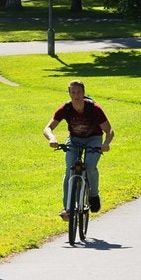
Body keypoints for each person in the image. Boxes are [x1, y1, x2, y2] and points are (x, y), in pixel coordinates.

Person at [43, 80, 113, 218]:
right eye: (73, 92)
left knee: (90, 165)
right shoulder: (66, 108)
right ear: (69, 94)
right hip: (74, 140)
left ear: (83, 93)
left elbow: (109, 130)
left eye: (79, 92)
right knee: (70, 168)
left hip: (94, 139)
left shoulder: (94, 109)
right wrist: (52, 138)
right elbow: (48, 128)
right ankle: (68, 208)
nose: (76, 95)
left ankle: (93, 195)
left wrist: (106, 143)